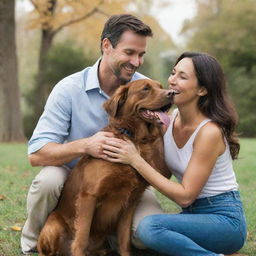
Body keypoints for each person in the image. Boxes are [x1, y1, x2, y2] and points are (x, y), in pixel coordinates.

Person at [21, 14, 165, 254]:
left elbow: (160, 159)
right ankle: (34, 243)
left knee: (146, 234)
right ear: (106, 46)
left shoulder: (146, 89)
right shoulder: (69, 89)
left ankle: (105, 243)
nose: (136, 62)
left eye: (141, 55)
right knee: (48, 180)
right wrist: (86, 145)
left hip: (127, 181)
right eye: (129, 52)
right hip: (74, 178)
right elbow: (36, 154)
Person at [102, 52, 247, 256]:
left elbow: (186, 197)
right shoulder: (168, 121)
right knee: (146, 237)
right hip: (193, 217)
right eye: (173, 73)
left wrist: (135, 159)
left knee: (149, 228)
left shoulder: (209, 132)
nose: (172, 81)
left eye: (183, 77)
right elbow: (159, 174)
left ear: (202, 89)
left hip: (224, 219)